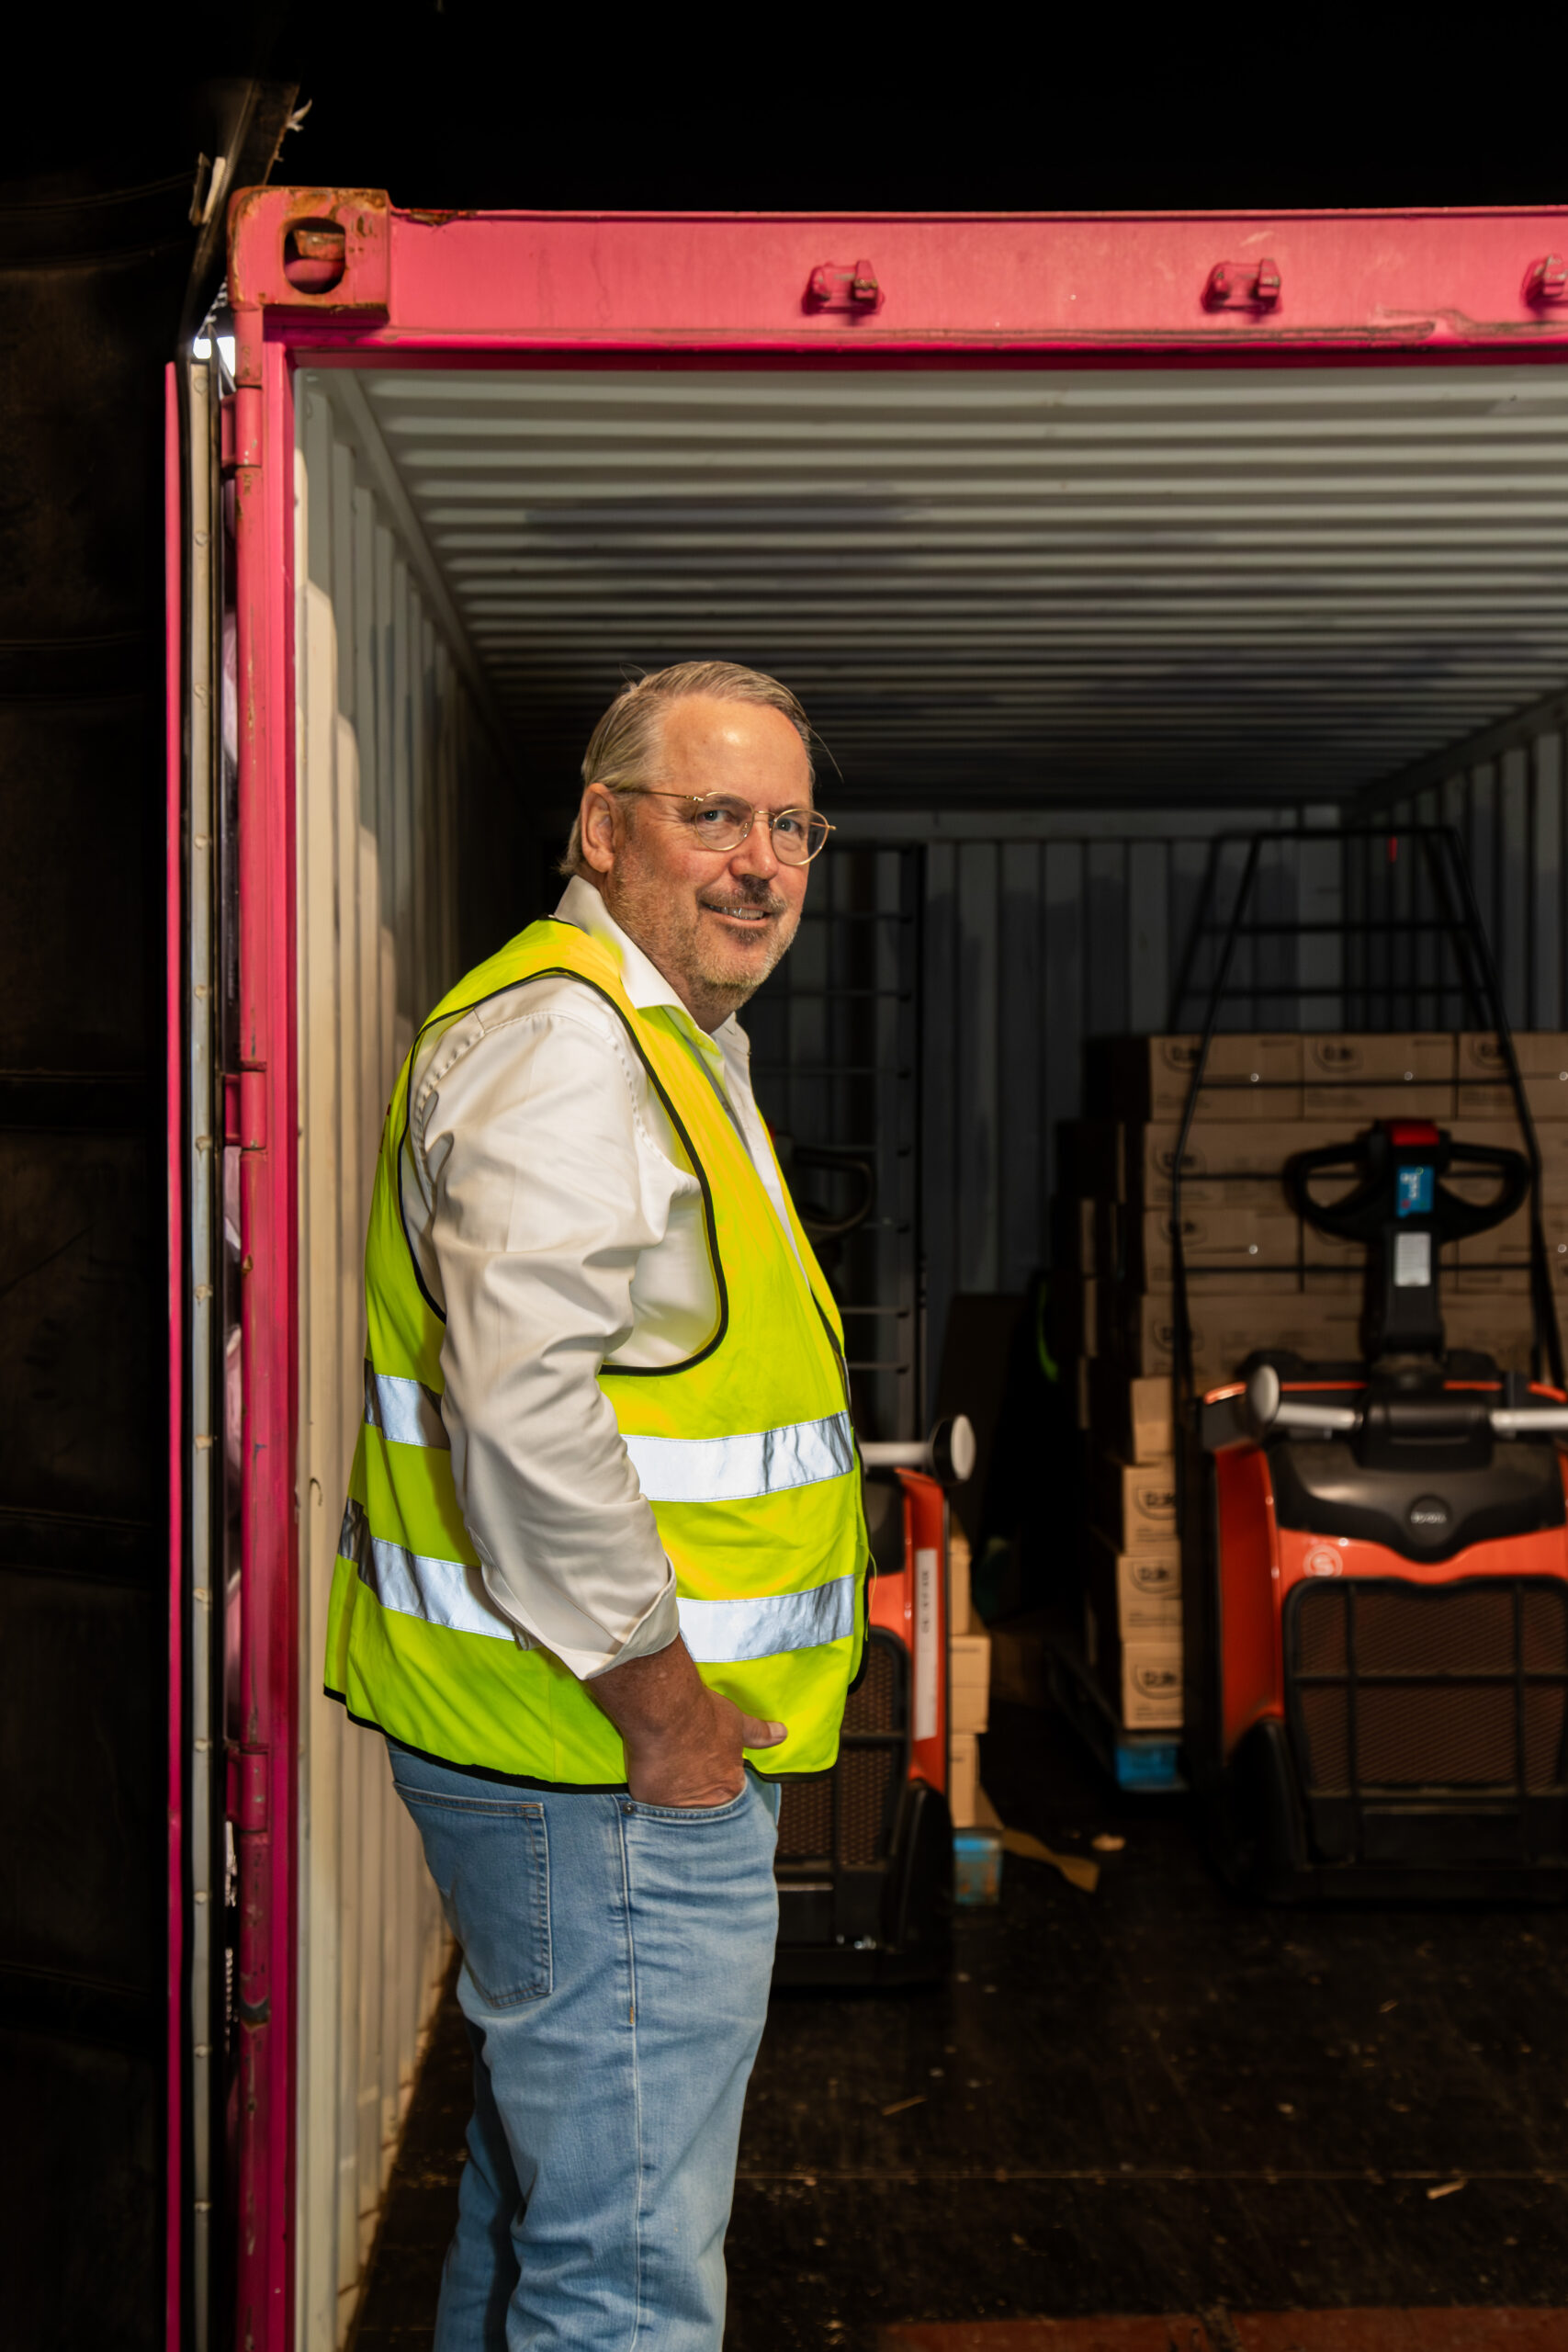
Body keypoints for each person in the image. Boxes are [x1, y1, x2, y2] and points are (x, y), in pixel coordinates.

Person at [326, 660, 868, 2349]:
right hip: (604, 1760)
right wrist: (667, 1715)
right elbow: (523, 1419)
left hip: (576, 1751)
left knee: (540, 2209)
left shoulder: (663, 1037)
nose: (759, 862)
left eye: (791, 827)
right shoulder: (571, 1048)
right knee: (624, 2280)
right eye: (714, 815)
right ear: (601, 826)